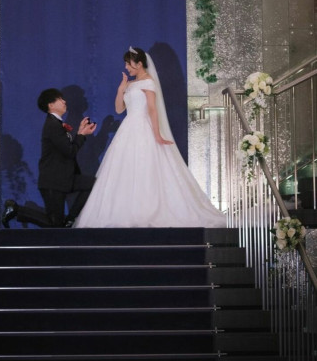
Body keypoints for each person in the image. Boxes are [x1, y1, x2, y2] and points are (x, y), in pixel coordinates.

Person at [74, 47, 226, 228]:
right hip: (128, 128)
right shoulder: (130, 84)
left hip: (143, 127)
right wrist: (121, 89)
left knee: (146, 166)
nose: (126, 67)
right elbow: (119, 109)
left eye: (128, 64)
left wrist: (157, 134)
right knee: (125, 168)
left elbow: (153, 110)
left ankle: (148, 210)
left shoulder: (148, 82)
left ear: (139, 64)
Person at [37, 88, 97, 227]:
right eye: (59, 99)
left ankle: (71, 218)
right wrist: (81, 135)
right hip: (53, 181)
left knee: (93, 184)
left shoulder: (56, 123)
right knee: (55, 225)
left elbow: (66, 148)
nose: (64, 101)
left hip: (64, 178)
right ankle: (18, 211)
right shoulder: (53, 125)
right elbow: (70, 151)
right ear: (51, 105)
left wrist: (80, 133)